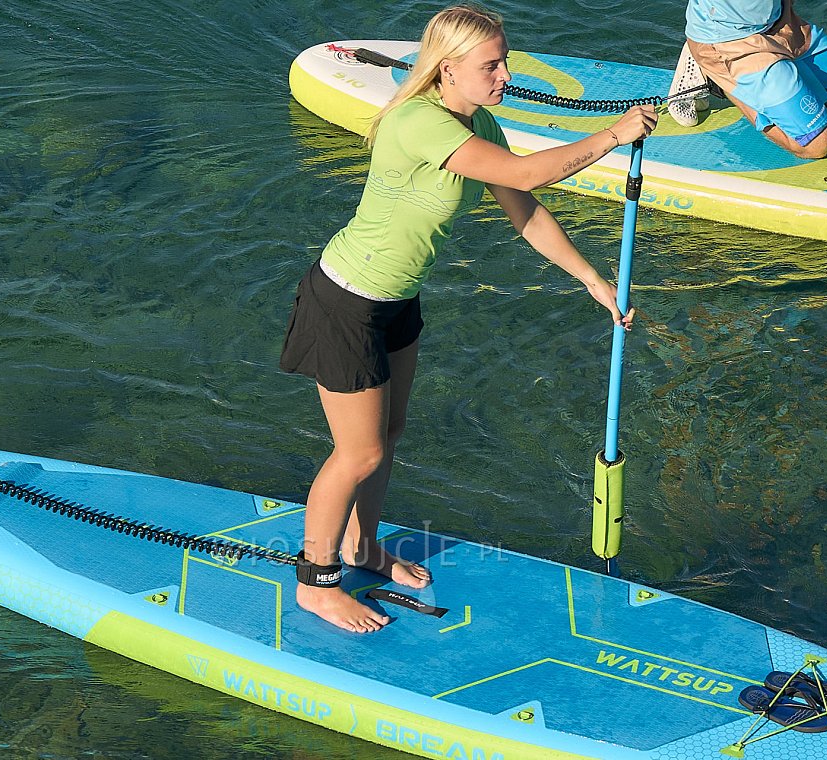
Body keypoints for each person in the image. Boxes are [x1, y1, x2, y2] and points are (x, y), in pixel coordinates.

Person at [280, 4, 657, 633]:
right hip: (346, 300)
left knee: (390, 435)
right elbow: (527, 170)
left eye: (504, 60)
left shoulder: (476, 120)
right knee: (359, 452)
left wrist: (591, 278)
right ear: (447, 68)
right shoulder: (420, 123)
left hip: (398, 297)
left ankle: (362, 547)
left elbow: (524, 206)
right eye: (492, 64)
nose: (505, 73)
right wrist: (612, 136)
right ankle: (316, 583)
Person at [679, 0, 827, 159]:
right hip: (728, 39)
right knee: (820, 143)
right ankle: (715, 74)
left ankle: (778, 71)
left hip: (780, 21)